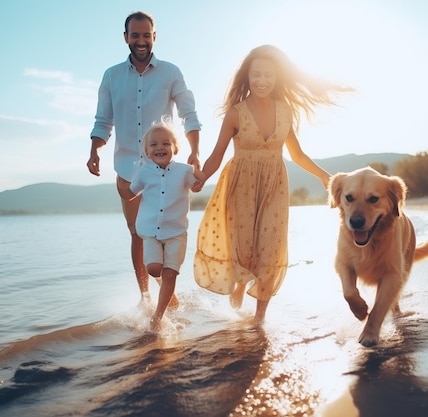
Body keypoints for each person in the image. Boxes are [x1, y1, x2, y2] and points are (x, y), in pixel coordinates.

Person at [193, 45, 350, 324]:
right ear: (247, 76)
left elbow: (297, 154)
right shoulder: (235, 114)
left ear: (277, 78)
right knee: (245, 251)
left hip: (275, 187)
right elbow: (217, 155)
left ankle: (259, 320)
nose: (262, 81)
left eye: (268, 75)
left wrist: (324, 176)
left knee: (270, 249)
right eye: (256, 75)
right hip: (240, 187)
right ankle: (241, 284)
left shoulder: (285, 111)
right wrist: (201, 178)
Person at [86, 11, 201, 307]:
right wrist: (95, 150)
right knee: (138, 233)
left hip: (166, 169)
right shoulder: (111, 76)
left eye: (146, 35)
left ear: (154, 37)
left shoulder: (170, 72)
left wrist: (195, 150)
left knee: (169, 230)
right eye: (134, 35)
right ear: (126, 37)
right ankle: (146, 297)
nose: (140, 41)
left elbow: (189, 113)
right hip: (127, 171)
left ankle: (166, 291)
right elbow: (103, 121)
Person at [118, 121, 205, 331]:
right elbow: (131, 194)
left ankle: (158, 316)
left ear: (175, 148)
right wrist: (122, 187)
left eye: (166, 143)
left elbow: (198, 184)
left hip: (176, 233)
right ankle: (158, 298)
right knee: (154, 269)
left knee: (170, 273)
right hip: (150, 234)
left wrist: (198, 171)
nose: (160, 147)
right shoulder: (144, 173)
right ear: (147, 151)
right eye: (154, 144)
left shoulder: (184, 171)